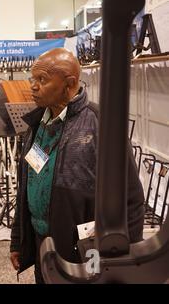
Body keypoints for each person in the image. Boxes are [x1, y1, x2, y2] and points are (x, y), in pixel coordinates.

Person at [9, 48, 144, 284]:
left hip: (87, 249)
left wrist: (124, 258)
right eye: (33, 79)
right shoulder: (36, 125)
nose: (33, 86)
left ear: (69, 83)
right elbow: (26, 187)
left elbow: (131, 198)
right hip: (43, 242)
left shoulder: (101, 124)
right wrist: (19, 239)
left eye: (42, 79)